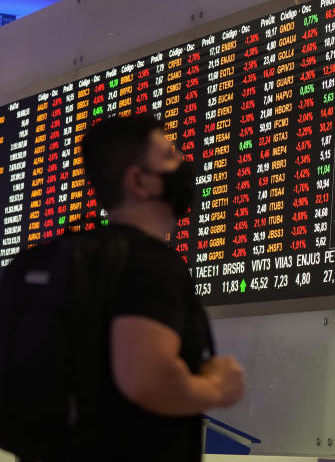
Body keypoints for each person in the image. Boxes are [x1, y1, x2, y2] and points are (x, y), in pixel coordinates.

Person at [79, 114, 245, 461]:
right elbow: (147, 380)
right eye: (170, 155)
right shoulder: (148, 264)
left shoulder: (77, 258)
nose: (184, 164)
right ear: (139, 181)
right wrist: (217, 386)